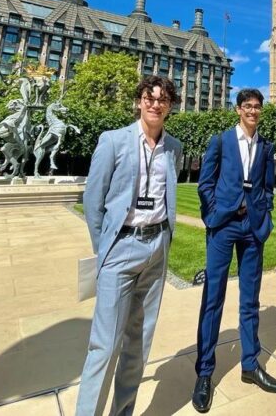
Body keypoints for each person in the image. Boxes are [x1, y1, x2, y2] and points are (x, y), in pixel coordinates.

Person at [75, 76, 182, 416]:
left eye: (163, 99)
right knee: (104, 346)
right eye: (150, 98)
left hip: (157, 247)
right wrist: (104, 247)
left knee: (138, 344)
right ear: (139, 102)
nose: (156, 104)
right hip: (120, 246)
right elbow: (93, 201)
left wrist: (164, 238)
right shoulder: (113, 140)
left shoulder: (174, 148)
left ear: (169, 106)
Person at [191, 88, 276, 413]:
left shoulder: (266, 146)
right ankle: (204, 373)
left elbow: (268, 187)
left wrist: (265, 216)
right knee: (213, 299)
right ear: (238, 109)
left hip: (253, 228)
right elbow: (205, 183)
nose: (253, 111)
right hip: (224, 226)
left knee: (250, 300)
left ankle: (250, 364)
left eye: (258, 107)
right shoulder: (221, 141)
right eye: (248, 106)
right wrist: (214, 215)